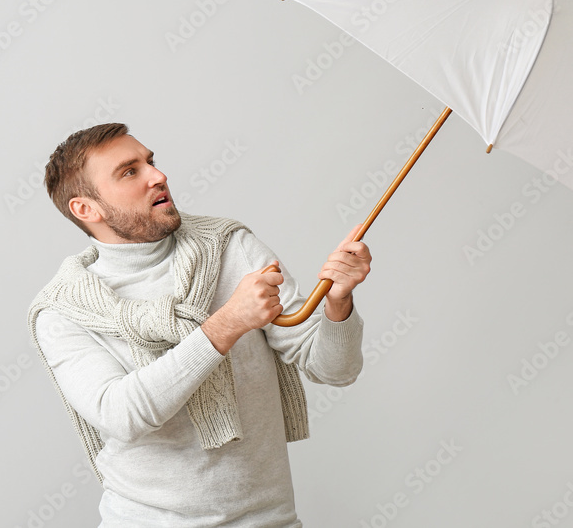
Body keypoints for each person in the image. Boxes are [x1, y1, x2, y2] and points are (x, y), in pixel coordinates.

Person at [28, 123, 371, 527]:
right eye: (129, 171)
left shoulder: (231, 246)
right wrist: (225, 325)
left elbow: (335, 369)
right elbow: (120, 414)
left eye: (150, 161)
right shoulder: (61, 310)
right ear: (87, 209)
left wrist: (339, 301)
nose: (158, 176)